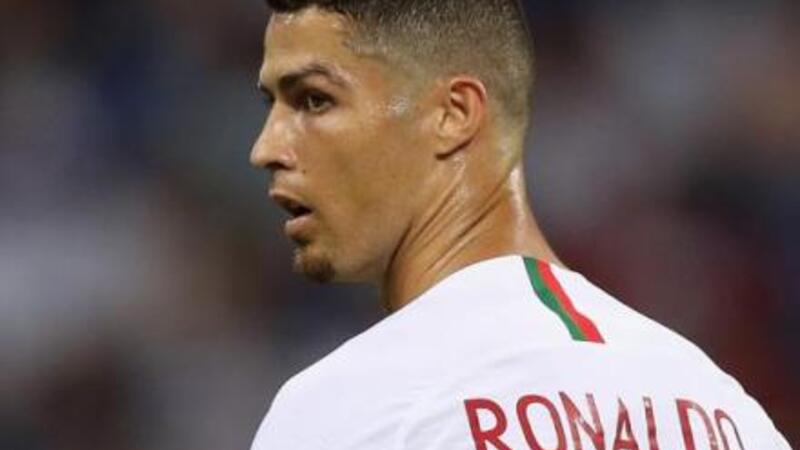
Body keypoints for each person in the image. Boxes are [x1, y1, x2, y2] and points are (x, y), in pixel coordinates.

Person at [248, 0, 792, 448]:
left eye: (314, 100)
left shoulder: (352, 407)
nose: (266, 148)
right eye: (272, 105)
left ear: (454, 114)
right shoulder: (724, 411)